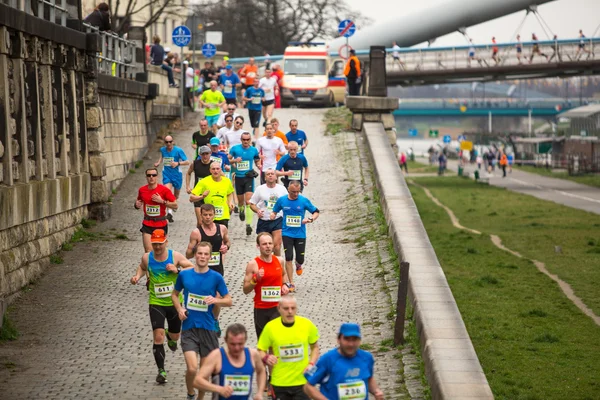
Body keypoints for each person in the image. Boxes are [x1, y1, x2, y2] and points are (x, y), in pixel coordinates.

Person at [130, 229, 194, 384]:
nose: (157, 247)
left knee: (175, 336)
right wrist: (137, 276)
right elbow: (142, 267)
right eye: (155, 244)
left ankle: (170, 335)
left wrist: (176, 269)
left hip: (174, 303)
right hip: (156, 302)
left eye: (160, 244)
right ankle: (161, 371)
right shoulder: (147, 257)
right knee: (157, 336)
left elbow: (191, 267)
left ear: (166, 242)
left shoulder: (175, 256)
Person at [172, 241, 233, 400]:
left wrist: (215, 301)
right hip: (189, 327)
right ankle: (190, 394)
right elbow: (174, 294)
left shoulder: (216, 277)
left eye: (206, 254)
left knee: (204, 371)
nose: (202, 257)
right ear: (195, 254)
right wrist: (179, 309)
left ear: (210, 256)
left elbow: (229, 300)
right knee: (192, 369)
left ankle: (200, 398)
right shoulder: (185, 274)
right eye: (200, 253)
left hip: (208, 328)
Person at [257, 295, 319, 400]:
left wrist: (311, 364)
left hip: (302, 381)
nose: (290, 311)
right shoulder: (270, 327)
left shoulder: (307, 324)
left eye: (293, 308)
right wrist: (266, 357)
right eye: (286, 308)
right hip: (279, 382)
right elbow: (260, 350)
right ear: (279, 309)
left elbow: (315, 348)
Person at [304, 323, 384, 400]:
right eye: (347, 339)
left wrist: (376, 391)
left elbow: (369, 378)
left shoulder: (367, 358)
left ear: (360, 341)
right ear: (338, 340)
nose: (351, 344)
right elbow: (308, 387)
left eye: (354, 339)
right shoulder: (328, 359)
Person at [194, 323, 267, 400]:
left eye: (240, 344)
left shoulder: (253, 355)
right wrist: (219, 389)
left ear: (245, 340)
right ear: (225, 340)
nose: (236, 348)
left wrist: (259, 393)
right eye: (232, 344)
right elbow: (197, 381)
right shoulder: (216, 356)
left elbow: (261, 371)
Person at [271, 181, 319, 291]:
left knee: (300, 258)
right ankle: (291, 282)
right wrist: (273, 215)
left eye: (298, 192)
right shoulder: (282, 200)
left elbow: (316, 212)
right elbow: (275, 210)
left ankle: (298, 264)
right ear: (288, 190)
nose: (296, 194)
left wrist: (311, 219)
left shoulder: (303, 200)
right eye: (293, 192)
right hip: (287, 233)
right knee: (288, 257)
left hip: (300, 234)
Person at [243, 232, 290, 337]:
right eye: (264, 244)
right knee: (263, 345)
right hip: (261, 309)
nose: (268, 246)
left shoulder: (279, 260)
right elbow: (245, 290)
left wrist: (285, 285)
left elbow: (283, 275)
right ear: (258, 246)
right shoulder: (253, 264)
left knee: (276, 341)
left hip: (278, 308)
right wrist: (255, 279)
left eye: (270, 243)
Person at [135, 168, 177, 252]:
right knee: (148, 251)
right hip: (147, 224)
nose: (151, 177)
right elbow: (139, 202)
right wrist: (136, 205)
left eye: (153, 175)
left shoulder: (164, 190)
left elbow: (175, 205)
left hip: (160, 224)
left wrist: (162, 201)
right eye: (149, 175)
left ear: (157, 177)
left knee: (159, 251)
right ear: (146, 177)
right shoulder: (142, 190)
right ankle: (149, 265)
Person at [249, 170, 288, 256]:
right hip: (264, 220)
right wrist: (257, 211)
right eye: (268, 174)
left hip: (277, 219)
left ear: (276, 176)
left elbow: (288, 203)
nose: (270, 176)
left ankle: (277, 266)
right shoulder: (260, 189)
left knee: (277, 246)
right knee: (265, 248)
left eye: (272, 174)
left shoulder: (282, 189)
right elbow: (252, 204)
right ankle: (267, 264)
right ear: (265, 177)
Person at [229, 132, 262, 236]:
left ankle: (248, 225)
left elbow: (257, 159)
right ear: (241, 139)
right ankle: (241, 209)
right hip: (238, 177)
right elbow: (228, 159)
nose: (246, 141)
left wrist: (258, 165)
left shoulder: (253, 150)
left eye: (248, 139)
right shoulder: (235, 149)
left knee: (248, 201)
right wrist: (235, 160)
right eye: (244, 139)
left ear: (250, 139)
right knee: (240, 201)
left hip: (249, 177)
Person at [186, 204, 231, 277]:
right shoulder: (196, 233)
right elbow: (188, 255)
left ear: (214, 215)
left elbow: (227, 242)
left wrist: (226, 247)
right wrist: (196, 249)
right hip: (202, 271)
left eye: (210, 215)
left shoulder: (222, 228)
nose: (208, 217)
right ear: (201, 215)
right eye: (205, 215)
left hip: (218, 270)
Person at [154, 135, 189, 222]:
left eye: (170, 142)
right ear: (164, 143)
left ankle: (172, 205)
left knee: (176, 196)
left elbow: (187, 162)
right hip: (167, 174)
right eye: (167, 142)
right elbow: (162, 157)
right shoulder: (163, 149)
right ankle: (169, 213)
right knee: (167, 192)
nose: (169, 144)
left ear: (173, 142)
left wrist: (178, 163)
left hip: (177, 175)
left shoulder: (178, 150)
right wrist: (158, 162)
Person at [190, 162, 235, 228]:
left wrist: (230, 202)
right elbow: (191, 198)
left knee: (222, 236)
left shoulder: (227, 181)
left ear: (221, 170)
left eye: (217, 169)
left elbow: (229, 193)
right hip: (208, 217)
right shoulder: (204, 182)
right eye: (213, 169)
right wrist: (202, 196)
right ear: (210, 170)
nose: (215, 171)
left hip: (223, 215)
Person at [186, 145, 213, 226]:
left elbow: (222, 177)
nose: (205, 156)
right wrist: (187, 186)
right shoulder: (195, 164)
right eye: (203, 154)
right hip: (198, 195)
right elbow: (188, 173)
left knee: (209, 221)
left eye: (206, 154)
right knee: (201, 222)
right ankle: (200, 237)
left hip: (210, 194)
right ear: (200, 155)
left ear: (210, 154)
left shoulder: (213, 166)